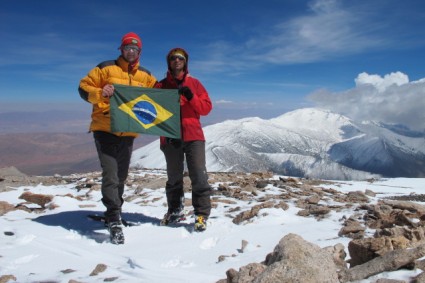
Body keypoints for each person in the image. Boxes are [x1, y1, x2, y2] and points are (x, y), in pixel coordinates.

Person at [78, 32, 157, 244]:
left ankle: (116, 212)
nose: (131, 52)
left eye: (135, 49)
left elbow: (158, 96)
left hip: (128, 132)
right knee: (111, 174)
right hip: (105, 128)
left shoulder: (146, 76)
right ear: (121, 49)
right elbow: (83, 87)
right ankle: (113, 217)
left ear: (139, 52)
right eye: (127, 48)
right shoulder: (105, 68)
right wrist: (100, 92)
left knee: (121, 176)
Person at [155, 47, 213, 232]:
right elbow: (149, 108)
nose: (177, 61)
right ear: (169, 62)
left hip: (193, 136)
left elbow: (205, 108)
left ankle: (201, 214)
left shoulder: (194, 84)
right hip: (170, 137)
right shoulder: (161, 86)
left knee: (198, 175)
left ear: (185, 62)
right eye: (173, 58)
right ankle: (175, 210)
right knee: (173, 177)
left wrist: (191, 97)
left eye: (180, 58)